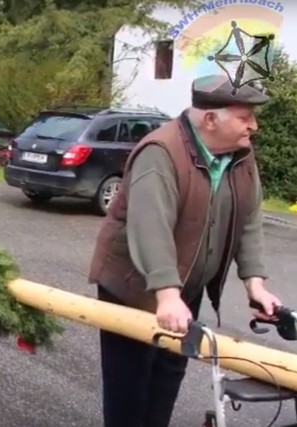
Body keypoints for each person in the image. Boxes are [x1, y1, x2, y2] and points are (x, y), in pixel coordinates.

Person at [87, 74, 284, 427]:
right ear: (211, 119)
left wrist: (254, 282)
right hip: (134, 288)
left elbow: (248, 216)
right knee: (130, 390)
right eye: (245, 117)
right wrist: (166, 294)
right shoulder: (160, 152)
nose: (254, 126)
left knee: (166, 379)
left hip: (184, 286)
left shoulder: (240, 154)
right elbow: (150, 227)